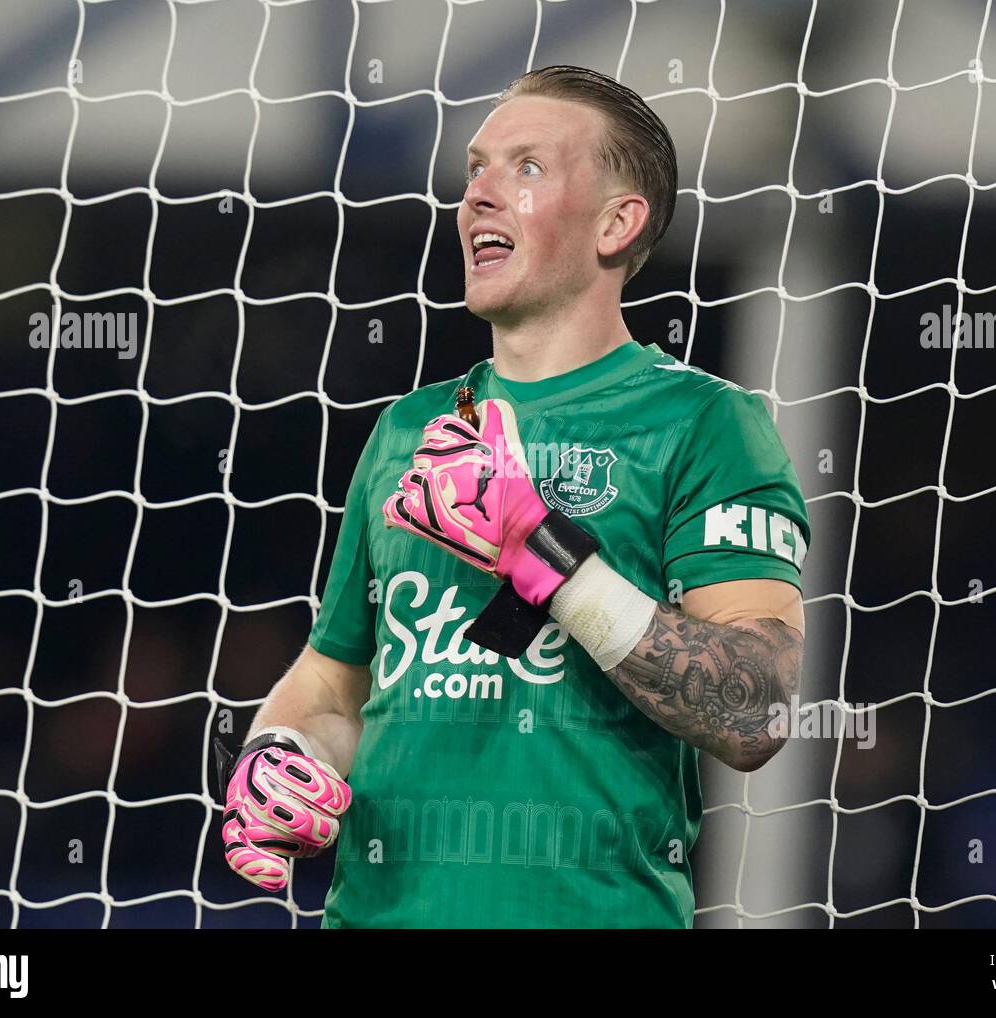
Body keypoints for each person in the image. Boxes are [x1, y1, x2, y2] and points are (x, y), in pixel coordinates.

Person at [217, 65, 810, 928]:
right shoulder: (408, 431)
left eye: (526, 168)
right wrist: (282, 751)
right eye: (475, 170)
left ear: (618, 222)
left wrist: (547, 559)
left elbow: (755, 710)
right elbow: (336, 680)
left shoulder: (705, 423)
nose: (480, 197)